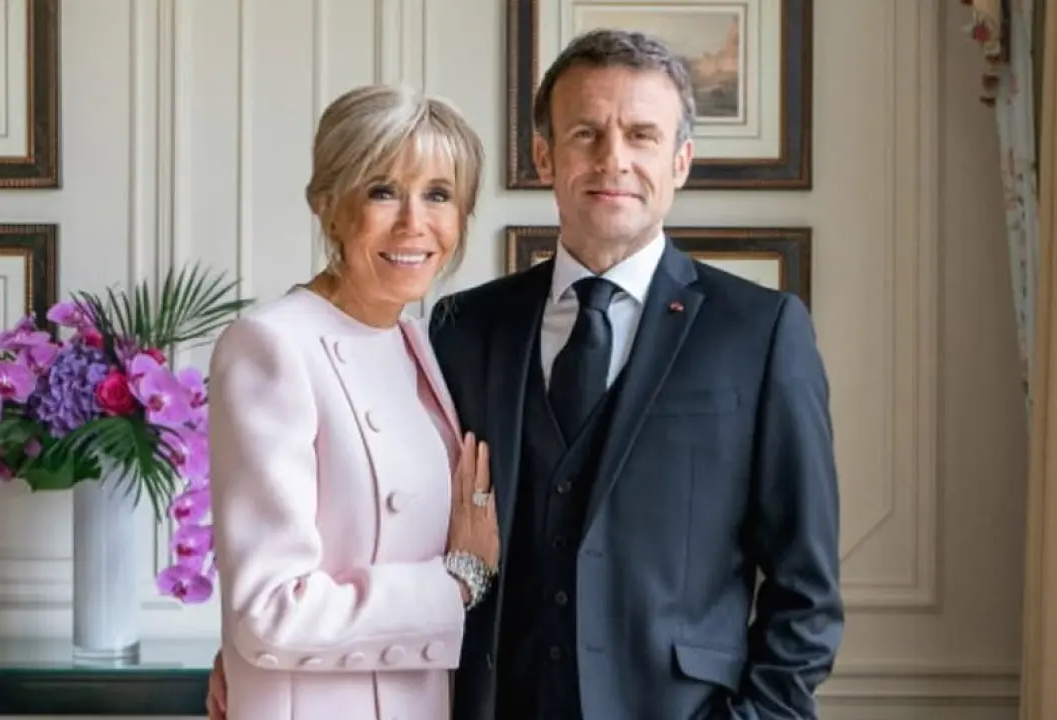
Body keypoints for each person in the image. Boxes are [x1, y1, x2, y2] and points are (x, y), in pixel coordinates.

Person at [210, 28, 843, 719]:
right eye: (585, 134)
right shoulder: (463, 327)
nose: (613, 159)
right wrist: (248, 648)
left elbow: (805, 591)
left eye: (641, 135)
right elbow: (377, 523)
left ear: (681, 160)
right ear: (545, 156)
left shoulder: (760, 331)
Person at [205, 83, 500, 720]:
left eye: (439, 195)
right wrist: (458, 581)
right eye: (383, 191)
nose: (414, 223)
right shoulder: (271, 345)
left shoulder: (418, 343)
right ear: (329, 206)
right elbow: (270, 611)